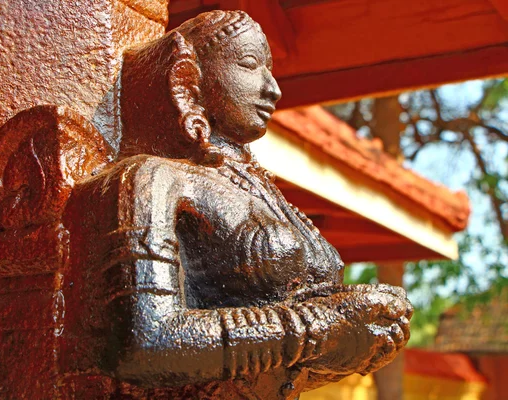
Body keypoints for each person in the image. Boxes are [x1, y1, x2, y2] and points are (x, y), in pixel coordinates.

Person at [65, 10, 411, 392]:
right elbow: (142, 339)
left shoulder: (262, 192)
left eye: (270, 69)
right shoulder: (152, 179)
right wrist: (316, 327)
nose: (273, 89)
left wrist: (359, 336)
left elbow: (286, 359)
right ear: (187, 79)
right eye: (250, 64)